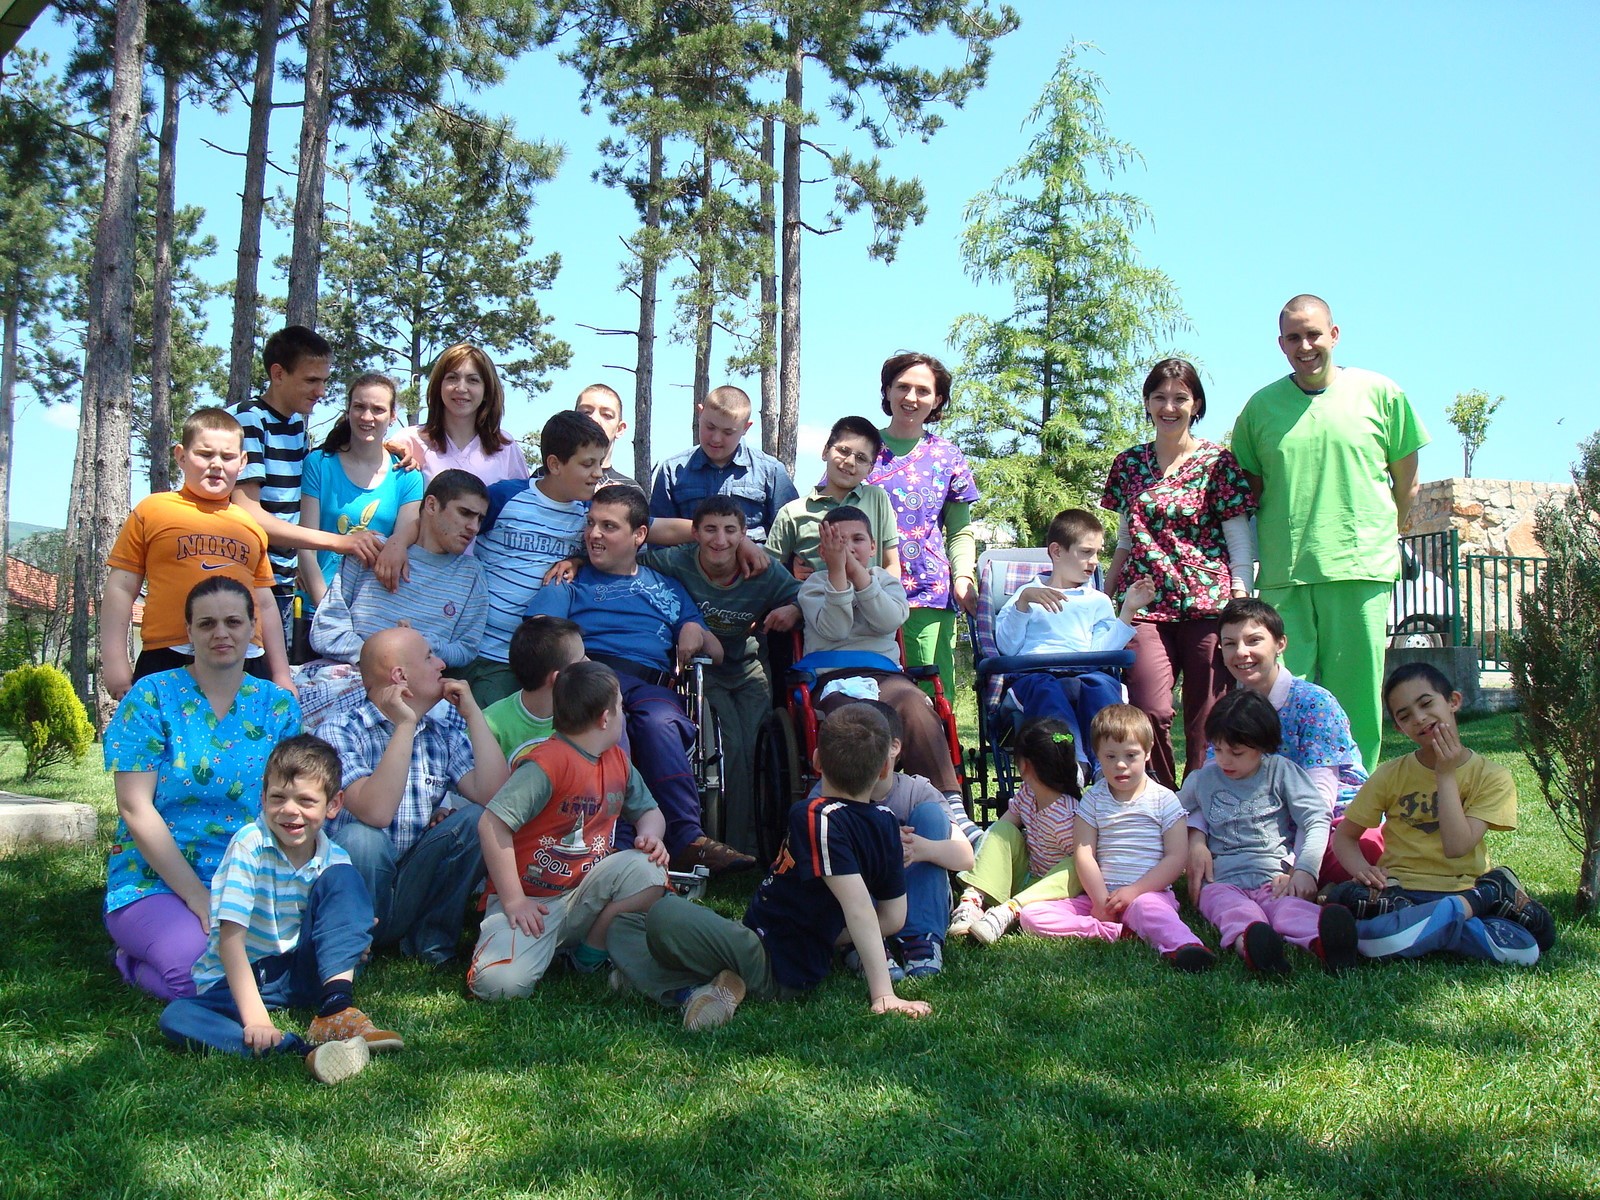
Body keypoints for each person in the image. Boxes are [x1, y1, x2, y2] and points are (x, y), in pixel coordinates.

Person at [606, 702, 932, 1029]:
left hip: (774, 962)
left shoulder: (817, 817)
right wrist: (827, 935)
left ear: (816, 761)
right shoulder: (887, 822)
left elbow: (860, 907)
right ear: (884, 770)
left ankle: (687, 991)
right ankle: (713, 983)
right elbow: (892, 917)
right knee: (623, 925)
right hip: (757, 940)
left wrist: (883, 994)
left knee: (665, 914)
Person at [1231, 295, 1430, 771]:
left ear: (1334, 335)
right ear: (1280, 344)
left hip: (1358, 569)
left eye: (1314, 334)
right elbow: (1248, 491)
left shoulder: (1381, 393)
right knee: (1274, 698)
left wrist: (1388, 530)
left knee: (1355, 701)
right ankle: (1277, 801)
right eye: (1294, 337)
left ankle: (1356, 805)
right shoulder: (1260, 408)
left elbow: (1407, 478)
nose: (1306, 345)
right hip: (1284, 574)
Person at [526, 485, 754, 875]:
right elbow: (540, 633)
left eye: (609, 526)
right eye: (591, 524)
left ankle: (687, 839)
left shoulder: (667, 587)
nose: (594, 534)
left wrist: (694, 632)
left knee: (661, 723)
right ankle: (618, 840)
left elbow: (715, 651)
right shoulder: (569, 581)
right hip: (589, 676)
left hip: (651, 684)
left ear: (639, 535)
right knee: (613, 725)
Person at [157, 735, 403, 1085]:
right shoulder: (249, 845)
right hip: (246, 975)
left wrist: (350, 939)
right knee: (178, 1017)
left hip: (306, 969)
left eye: (306, 800)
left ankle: (336, 1008)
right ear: (263, 798)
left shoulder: (335, 858)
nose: (290, 810)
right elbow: (230, 941)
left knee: (344, 880)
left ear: (333, 805)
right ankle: (296, 1049)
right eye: (278, 798)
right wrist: (256, 1018)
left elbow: (346, 921)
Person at [102, 577, 302, 999]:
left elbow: (293, 808)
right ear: (188, 632)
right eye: (207, 624)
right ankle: (131, 958)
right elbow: (136, 808)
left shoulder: (278, 707)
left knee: (290, 963)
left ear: (253, 628)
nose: (221, 633)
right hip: (155, 877)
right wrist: (195, 896)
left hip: (250, 874)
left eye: (233, 621)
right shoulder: (151, 696)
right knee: (196, 977)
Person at [1321, 664, 1553, 964]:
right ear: (1399, 728)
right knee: (1351, 905)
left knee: (1525, 951)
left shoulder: (1492, 776)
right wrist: (1360, 870)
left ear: (1453, 701)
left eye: (1426, 703)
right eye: (1405, 715)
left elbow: (1457, 847)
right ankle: (1480, 906)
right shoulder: (1391, 774)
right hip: (1399, 894)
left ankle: (1439, 920)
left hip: (1462, 887)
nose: (1419, 718)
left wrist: (1445, 775)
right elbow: (1345, 836)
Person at [468, 662, 672, 1000]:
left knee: (649, 868)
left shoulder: (617, 759)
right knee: (497, 986)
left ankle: (588, 955)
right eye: (620, 707)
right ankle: (533, 948)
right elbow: (491, 825)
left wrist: (652, 835)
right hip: (531, 902)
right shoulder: (546, 763)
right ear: (605, 718)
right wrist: (514, 900)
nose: (623, 714)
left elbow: (649, 810)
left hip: (585, 894)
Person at [1102, 358, 1256, 787]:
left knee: (1207, 717)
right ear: (1148, 403)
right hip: (1146, 607)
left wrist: (1241, 602)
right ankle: (1165, 799)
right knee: (1150, 709)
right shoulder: (1129, 464)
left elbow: (1239, 540)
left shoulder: (1216, 463)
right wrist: (1104, 594)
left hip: (1209, 607)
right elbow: (1125, 541)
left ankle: (1202, 803)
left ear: (1196, 405)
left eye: (1180, 398)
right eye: (1160, 398)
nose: (1169, 407)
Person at [318, 626, 511, 964]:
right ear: (400, 676)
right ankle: (355, 941)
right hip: (364, 882)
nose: (441, 664)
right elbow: (375, 812)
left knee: (481, 820)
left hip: (411, 879)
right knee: (364, 838)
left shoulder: (442, 730)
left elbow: (495, 795)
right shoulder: (340, 730)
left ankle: (428, 942)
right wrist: (404, 726)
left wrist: (473, 714)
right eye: (428, 657)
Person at [101, 407, 291, 699]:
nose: (216, 464)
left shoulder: (250, 526)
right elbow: (121, 587)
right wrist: (114, 661)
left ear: (242, 463)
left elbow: (265, 604)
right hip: (168, 656)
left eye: (227, 457)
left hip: (244, 660)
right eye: (204, 454)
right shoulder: (153, 510)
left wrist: (281, 674)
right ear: (181, 456)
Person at [646, 497, 801, 855]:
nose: (720, 540)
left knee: (758, 742)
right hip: (704, 670)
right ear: (695, 533)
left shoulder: (764, 571)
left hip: (748, 667)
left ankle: (764, 835)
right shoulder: (676, 561)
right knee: (729, 743)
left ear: (744, 534)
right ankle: (734, 842)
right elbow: (629, 561)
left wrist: (792, 609)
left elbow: (801, 595)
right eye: (711, 530)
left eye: (731, 530)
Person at [1017, 704, 1216, 972]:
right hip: (1099, 896)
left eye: (1131, 755)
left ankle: (1185, 947)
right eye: (1110, 756)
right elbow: (1084, 853)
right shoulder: (1094, 799)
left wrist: (1134, 891)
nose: (1120, 765)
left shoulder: (1164, 800)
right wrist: (1100, 900)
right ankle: (1112, 931)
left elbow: (1176, 857)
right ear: (1097, 755)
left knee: (1151, 913)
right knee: (1033, 916)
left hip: (1148, 893)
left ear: (1147, 753)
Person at [1180, 689, 1357, 975]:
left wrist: (1306, 869)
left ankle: (1327, 941)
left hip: (1274, 877)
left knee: (1290, 910)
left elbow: (1314, 817)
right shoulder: (1202, 779)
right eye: (1219, 749)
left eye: (1236, 753)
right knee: (1233, 913)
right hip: (1221, 880)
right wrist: (1192, 843)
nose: (1224, 761)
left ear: (1263, 745)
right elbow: (1172, 812)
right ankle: (1254, 948)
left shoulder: (1281, 771)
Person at [798, 507, 964, 806]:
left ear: (873, 546)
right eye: (839, 541)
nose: (848, 547)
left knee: (914, 703)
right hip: (835, 679)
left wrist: (860, 578)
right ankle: (855, 805)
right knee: (851, 720)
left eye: (857, 539)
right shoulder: (814, 586)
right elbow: (835, 629)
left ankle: (946, 804)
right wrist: (838, 575)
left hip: (886, 676)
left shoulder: (887, 583)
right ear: (824, 550)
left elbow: (888, 621)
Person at [1216, 597, 1378, 883]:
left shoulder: (1314, 703)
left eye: (1254, 640)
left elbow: (1321, 798)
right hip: (1264, 828)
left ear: (1280, 644)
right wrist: (1195, 845)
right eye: (1230, 644)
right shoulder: (1228, 710)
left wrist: (1300, 863)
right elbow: (1212, 782)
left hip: (1331, 823)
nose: (1241, 652)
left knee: (1356, 853)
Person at [232, 325, 383, 629]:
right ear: (278, 374)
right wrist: (339, 542)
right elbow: (247, 514)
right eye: (311, 380)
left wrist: (383, 446)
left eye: (325, 381)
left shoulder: (296, 427)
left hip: (282, 582)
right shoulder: (249, 419)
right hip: (245, 580)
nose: (321, 392)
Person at [994, 507, 1157, 779]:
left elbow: (1100, 654)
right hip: (1035, 675)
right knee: (1048, 693)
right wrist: (1023, 604)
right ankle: (1069, 758)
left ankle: (1105, 764)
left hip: (1085, 672)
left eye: (1097, 553)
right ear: (1057, 551)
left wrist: (1127, 610)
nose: (1093, 561)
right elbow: (1007, 648)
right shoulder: (1026, 594)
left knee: (1101, 687)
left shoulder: (1098, 600)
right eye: (1085, 552)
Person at [816, 700, 973, 979]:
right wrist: (877, 845)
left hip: (915, 894)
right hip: (861, 902)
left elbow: (966, 856)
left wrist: (921, 849)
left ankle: (922, 937)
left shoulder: (917, 790)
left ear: (894, 748)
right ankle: (862, 943)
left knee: (930, 815)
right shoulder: (825, 796)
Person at [465, 410, 610, 707]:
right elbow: (449, 518)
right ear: (555, 464)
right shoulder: (506, 497)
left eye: (600, 463)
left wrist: (578, 561)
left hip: (537, 663)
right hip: (480, 648)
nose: (598, 473)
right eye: (587, 464)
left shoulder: (588, 515)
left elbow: (645, 529)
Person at [867, 351, 981, 698]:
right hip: (863, 590)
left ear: (938, 400)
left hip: (927, 592)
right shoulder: (859, 447)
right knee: (871, 689)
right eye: (902, 387)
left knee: (931, 693)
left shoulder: (948, 456)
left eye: (922, 391)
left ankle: (940, 754)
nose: (911, 398)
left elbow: (960, 529)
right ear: (887, 391)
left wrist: (963, 577)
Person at [310, 468, 489, 668]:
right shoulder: (371, 550)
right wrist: (379, 659)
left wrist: (422, 645)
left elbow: (467, 648)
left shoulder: (471, 575)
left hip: (417, 690)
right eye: (465, 513)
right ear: (431, 505)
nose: (474, 527)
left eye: (480, 519)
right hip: (348, 676)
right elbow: (326, 629)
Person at [949, 718, 1083, 946]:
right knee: (1002, 830)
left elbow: (1075, 881)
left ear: (1025, 765)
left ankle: (1007, 912)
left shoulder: (1068, 815)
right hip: (1027, 877)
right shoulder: (1027, 795)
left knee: (1078, 863)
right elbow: (999, 831)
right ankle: (972, 901)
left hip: (1052, 896)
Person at [297, 372, 422, 612]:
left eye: (378, 409)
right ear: (348, 411)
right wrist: (328, 613)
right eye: (359, 407)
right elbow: (305, 546)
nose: (367, 417)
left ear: (393, 416)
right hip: (318, 607)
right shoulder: (319, 464)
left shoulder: (408, 477)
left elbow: (401, 546)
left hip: (374, 613)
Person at [649, 384, 798, 545]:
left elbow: (790, 535)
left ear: (746, 428)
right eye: (710, 427)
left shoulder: (771, 472)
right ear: (700, 413)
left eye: (728, 432)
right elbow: (658, 540)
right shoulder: (673, 472)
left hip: (755, 568)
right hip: (687, 568)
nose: (716, 438)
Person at [766, 416, 900, 578]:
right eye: (843, 451)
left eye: (861, 458)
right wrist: (791, 576)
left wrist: (886, 598)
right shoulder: (792, 512)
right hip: (814, 601)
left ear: (870, 469)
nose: (850, 462)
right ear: (825, 451)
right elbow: (771, 570)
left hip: (868, 601)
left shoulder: (877, 498)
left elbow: (891, 564)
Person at [396, 342, 530, 486]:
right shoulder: (408, 441)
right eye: (452, 378)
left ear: (487, 391)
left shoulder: (505, 446)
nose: (461, 388)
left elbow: (522, 503)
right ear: (439, 385)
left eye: (473, 380)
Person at [482, 615, 587, 767]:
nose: (589, 664)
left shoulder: (587, 714)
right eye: (582, 660)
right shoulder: (488, 726)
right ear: (557, 679)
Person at [575, 383, 643, 492]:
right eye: (586, 412)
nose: (594, 419)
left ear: (619, 429)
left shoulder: (629, 490)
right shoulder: (547, 478)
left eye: (607, 415)